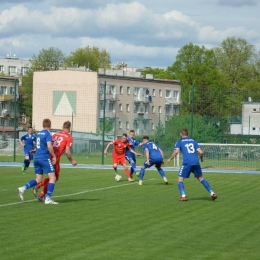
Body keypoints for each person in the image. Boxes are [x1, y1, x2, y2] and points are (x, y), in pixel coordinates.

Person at [167, 128, 217, 201]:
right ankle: (212, 193)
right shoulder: (193, 141)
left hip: (187, 162)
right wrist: (201, 159)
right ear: (188, 134)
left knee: (180, 179)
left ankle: (183, 196)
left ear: (181, 134)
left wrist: (170, 158)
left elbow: (176, 152)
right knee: (200, 178)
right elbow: (201, 152)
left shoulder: (180, 141)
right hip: (196, 162)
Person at [34, 121, 77, 201]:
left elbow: (47, 144)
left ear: (62, 127)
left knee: (53, 177)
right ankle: (40, 191)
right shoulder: (69, 137)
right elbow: (67, 152)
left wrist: (36, 150)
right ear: (69, 128)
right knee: (54, 178)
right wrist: (72, 161)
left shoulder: (55, 134)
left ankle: (40, 191)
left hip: (47, 156)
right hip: (55, 158)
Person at [18, 119, 58, 205]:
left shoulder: (39, 134)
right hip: (44, 158)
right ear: (49, 126)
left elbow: (41, 145)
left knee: (38, 179)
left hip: (36, 158)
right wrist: (54, 156)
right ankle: (47, 198)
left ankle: (23, 188)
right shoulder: (48, 133)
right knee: (53, 178)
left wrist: (35, 150)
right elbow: (49, 146)